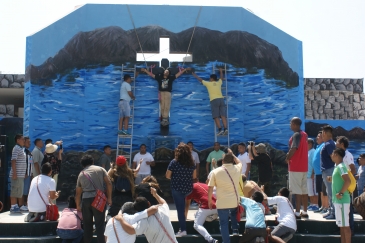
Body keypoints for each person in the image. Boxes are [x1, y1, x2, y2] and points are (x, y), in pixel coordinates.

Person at [75, 155, 112, 243]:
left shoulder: (81, 173)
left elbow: (78, 192)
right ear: (92, 162)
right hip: (98, 199)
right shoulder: (100, 169)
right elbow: (109, 183)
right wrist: (109, 198)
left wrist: (78, 205)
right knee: (100, 225)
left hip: (86, 199)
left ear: (83, 165)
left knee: (87, 226)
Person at [208, 150, 242, 243]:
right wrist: (232, 154)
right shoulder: (237, 168)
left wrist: (209, 200)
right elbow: (239, 162)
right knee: (234, 213)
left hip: (222, 202)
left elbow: (210, 188)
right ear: (232, 161)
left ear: (222, 161)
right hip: (234, 201)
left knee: (223, 223)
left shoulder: (215, 171)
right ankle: (235, 229)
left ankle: (226, 242)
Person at [166, 143, 197, 236]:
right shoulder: (192, 163)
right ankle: (183, 227)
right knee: (184, 207)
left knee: (180, 209)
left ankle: (183, 230)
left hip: (177, 188)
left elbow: (167, 176)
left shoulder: (174, 162)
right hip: (188, 188)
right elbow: (194, 176)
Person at [192, 68, 228, 135]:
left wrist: (195, 75)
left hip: (214, 100)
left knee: (216, 116)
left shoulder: (208, 84)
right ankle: (225, 128)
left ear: (211, 78)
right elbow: (221, 77)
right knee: (223, 115)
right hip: (221, 99)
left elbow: (200, 80)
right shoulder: (219, 83)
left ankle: (220, 129)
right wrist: (221, 71)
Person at [285, 117, 309, 219]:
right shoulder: (305, 134)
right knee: (304, 190)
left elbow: (294, 148)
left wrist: (287, 158)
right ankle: (305, 211)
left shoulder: (296, 135)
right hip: (304, 166)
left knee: (297, 190)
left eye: (291, 123)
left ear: (294, 124)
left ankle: (297, 212)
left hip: (296, 166)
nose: (290, 125)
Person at [329, 148, 351, 243]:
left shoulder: (341, 167)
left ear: (337, 155)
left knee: (345, 226)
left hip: (342, 201)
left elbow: (348, 180)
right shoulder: (337, 167)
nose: (331, 155)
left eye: (333, 153)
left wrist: (341, 193)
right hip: (338, 201)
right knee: (342, 226)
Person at [335, 136, 356, 234]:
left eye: (337, 142)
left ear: (342, 144)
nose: (335, 144)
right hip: (340, 187)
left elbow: (353, 169)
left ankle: (351, 229)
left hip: (345, 187)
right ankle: (342, 229)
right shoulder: (339, 156)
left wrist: (348, 181)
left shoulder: (348, 155)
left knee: (348, 209)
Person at [321, 125, 336, 219]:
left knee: (331, 192)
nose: (322, 135)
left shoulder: (329, 144)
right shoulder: (328, 143)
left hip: (329, 171)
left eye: (322, 133)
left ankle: (333, 213)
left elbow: (333, 157)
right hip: (326, 171)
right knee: (328, 191)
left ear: (325, 133)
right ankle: (331, 211)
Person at [312, 131, 329, 214]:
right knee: (320, 191)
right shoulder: (318, 146)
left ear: (323, 137)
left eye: (319, 136)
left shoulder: (324, 145)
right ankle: (322, 206)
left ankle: (326, 207)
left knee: (324, 191)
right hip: (317, 173)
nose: (317, 138)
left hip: (322, 172)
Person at [9, 134, 26, 214]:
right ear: (18, 140)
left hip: (20, 175)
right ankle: (13, 206)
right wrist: (14, 173)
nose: (24, 141)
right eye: (22, 139)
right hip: (16, 174)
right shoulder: (16, 148)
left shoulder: (21, 149)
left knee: (19, 190)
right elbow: (13, 160)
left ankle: (17, 205)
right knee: (14, 190)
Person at [21, 136, 33, 212]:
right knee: (23, 190)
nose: (29, 143)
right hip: (24, 174)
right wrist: (25, 172)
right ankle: (21, 204)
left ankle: (25, 204)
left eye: (30, 142)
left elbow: (30, 163)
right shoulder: (22, 151)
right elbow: (23, 163)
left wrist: (31, 173)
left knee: (27, 190)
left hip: (29, 173)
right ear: (24, 142)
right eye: (28, 142)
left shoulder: (28, 151)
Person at [307, 138, 319, 211]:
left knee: (314, 190)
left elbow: (314, 163)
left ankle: (316, 204)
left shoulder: (313, 151)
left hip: (311, 175)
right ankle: (312, 204)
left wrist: (313, 173)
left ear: (310, 144)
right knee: (309, 191)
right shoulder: (307, 152)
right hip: (306, 175)